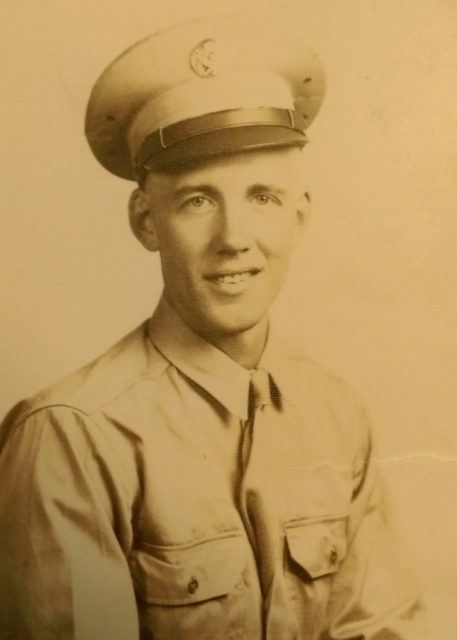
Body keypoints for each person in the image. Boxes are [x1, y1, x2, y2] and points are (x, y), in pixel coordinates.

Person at [0, 14, 425, 640]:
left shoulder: (336, 413)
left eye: (263, 198)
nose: (234, 240)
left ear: (299, 217)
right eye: (198, 200)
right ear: (146, 221)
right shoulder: (73, 438)